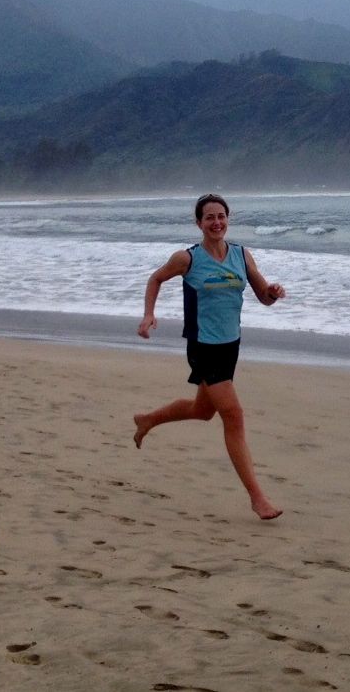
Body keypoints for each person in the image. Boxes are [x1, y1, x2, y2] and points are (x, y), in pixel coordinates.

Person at [134, 193, 286, 520]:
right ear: (199, 223)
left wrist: (272, 293)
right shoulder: (187, 259)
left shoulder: (242, 255)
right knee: (233, 414)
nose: (216, 222)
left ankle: (148, 420)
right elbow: (155, 278)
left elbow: (263, 297)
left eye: (221, 216)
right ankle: (257, 498)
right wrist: (149, 314)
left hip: (231, 345)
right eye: (209, 218)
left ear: (228, 219)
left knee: (203, 410)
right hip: (203, 345)